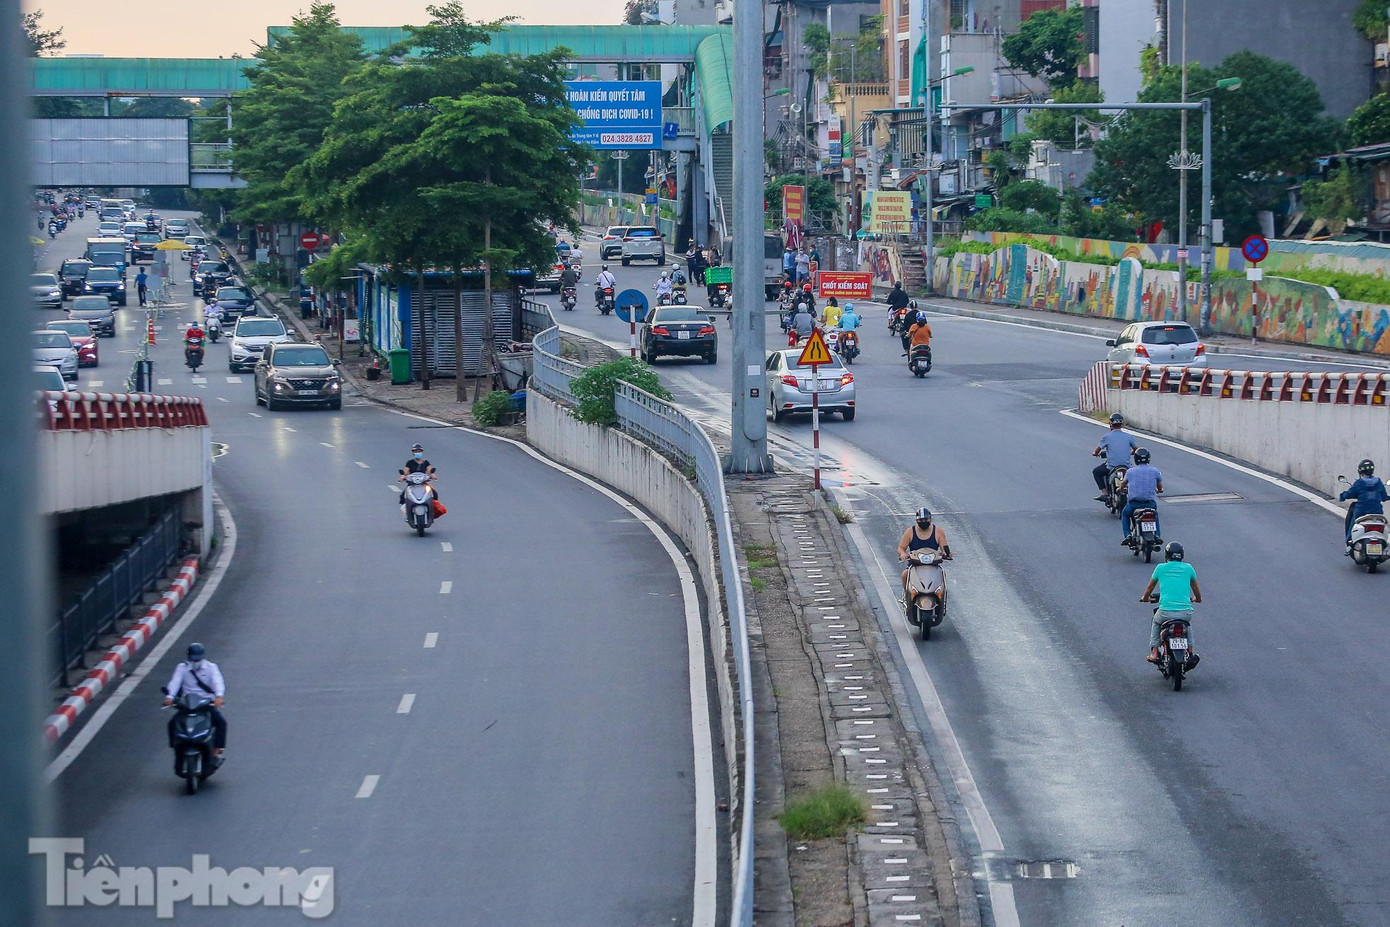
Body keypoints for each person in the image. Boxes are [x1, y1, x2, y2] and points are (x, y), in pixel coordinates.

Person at [1140, 542, 1201, 663]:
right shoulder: (1188, 568)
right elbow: (1196, 589)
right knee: (1187, 625)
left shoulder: (1160, 568)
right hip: (1185, 612)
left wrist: (1145, 598)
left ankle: (1155, 652)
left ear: (1166, 555)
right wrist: (1197, 599)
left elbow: (1150, 587)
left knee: (1156, 622)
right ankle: (1190, 651)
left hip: (1165, 612)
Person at [163, 643, 227, 759]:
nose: (195, 661)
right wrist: (170, 697)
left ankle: (218, 749)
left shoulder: (211, 668)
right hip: (187, 704)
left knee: (221, 722)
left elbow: (218, 682)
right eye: (193, 659)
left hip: (205, 704)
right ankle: (176, 746)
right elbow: (175, 682)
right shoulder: (182, 668)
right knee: (172, 724)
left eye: (198, 659)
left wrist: (219, 696)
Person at [897, 507, 952, 598]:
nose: (924, 521)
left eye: (926, 519)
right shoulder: (910, 532)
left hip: (933, 565)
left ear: (930, 519)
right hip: (915, 565)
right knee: (905, 575)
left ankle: (942, 602)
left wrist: (945, 554)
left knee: (942, 575)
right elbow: (901, 548)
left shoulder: (938, 531)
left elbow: (944, 548)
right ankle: (908, 597)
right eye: (921, 520)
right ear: (917, 520)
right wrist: (903, 554)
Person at [1118, 448, 1163, 545]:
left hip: (1134, 504)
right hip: (1150, 504)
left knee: (1125, 514)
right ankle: (1157, 535)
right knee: (1155, 515)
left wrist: (1120, 489)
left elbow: (1123, 484)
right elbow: (1160, 486)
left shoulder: (1130, 471)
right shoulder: (1155, 471)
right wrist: (1159, 490)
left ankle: (1128, 535)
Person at [1338, 458, 1388, 544]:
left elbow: (1350, 493)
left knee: (1352, 524)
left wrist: (1343, 496)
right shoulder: (1378, 482)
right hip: (1377, 512)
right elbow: (1383, 497)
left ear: (1360, 471)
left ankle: (1349, 541)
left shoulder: (1359, 482)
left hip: (1361, 512)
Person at [1092, 413, 1138, 498]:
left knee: (1096, 472)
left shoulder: (1107, 437)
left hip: (1111, 467)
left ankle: (1104, 493)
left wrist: (1095, 454)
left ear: (1110, 424)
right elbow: (1136, 449)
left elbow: (1097, 450)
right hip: (1126, 466)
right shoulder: (1129, 436)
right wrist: (1132, 452)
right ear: (1122, 424)